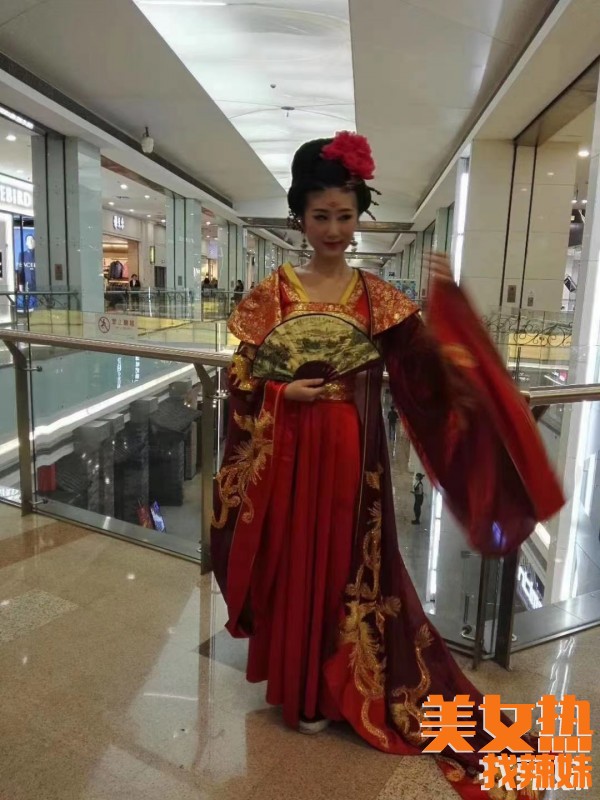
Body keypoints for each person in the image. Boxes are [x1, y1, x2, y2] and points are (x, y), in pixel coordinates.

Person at [211, 132, 564, 799]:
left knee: (341, 564)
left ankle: (332, 689)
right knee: (294, 558)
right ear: (299, 217)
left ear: (360, 216)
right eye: (321, 216)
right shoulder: (271, 295)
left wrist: (479, 376)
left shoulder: (377, 297)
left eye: (345, 216)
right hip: (287, 451)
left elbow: (427, 374)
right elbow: (242, 378)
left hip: (351, 450)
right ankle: (298, 690)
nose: (334, 230)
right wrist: (283, 392)